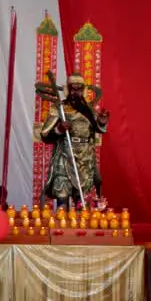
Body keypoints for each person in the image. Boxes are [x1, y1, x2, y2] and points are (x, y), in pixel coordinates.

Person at [40, 73, 109, 208]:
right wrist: (59, 129)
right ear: (68, 89)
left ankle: (80, 228)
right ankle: (61, 224)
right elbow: (45, 134)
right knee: (62, 191)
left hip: (85, 158)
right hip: (66, 155)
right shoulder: (59, 108)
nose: (76, 92)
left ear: (83, 90)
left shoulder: (89, 109)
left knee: (82, 200)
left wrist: (101, 122)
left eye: (79, 89)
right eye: (73, 89)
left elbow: (98, 129)